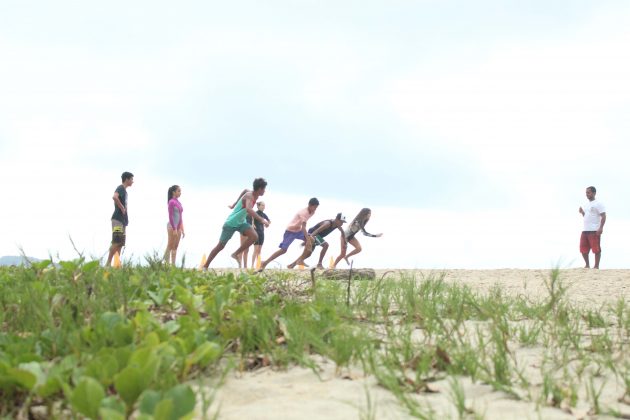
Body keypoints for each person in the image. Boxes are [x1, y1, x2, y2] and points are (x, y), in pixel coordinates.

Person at [203, 178, 269, 269]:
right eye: (264, 189)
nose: (265, 191)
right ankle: (205, 266)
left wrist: (235, 203)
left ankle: (236, 254)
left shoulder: (251, 193)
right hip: (231, 223)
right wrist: (262, 220)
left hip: (241, 222)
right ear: (259, 189)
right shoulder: (250, 196)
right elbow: (249, 209)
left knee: (254, 236)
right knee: (220, 246)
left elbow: (245, 190)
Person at [258, 198, 319, 271]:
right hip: (290, 231)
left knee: (312, 239)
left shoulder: (312, 212)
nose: (315, 209)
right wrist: (307, 240)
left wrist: (308, 240)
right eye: (314, 207)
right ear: (309, 205)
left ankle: (298, 261)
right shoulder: (303, 213)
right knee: (283, 250)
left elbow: (303, 227)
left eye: (316, 207)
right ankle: (265, 262)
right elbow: (304, 227)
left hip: (298, 230)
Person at [106, 171, 134, 267]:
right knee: (116, 241)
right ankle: (108, 264)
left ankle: (117, 265)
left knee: (120, 243)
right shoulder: (121, 188)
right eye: (131, 179)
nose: (132, 182)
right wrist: (122, 207)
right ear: (127, 179)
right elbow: (114, 197)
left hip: (123, 221)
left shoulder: (125, 191)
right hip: (117, 219)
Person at [579, 186, 606, 269]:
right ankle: (587, 265)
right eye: (586, 193)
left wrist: (601, 228)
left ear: (594, 193)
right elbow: (587, 216)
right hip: (585, 229)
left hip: (594, 230)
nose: (587, 194)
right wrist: (582, 212)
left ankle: (596, 266)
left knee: (596, 249)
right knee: (583, 248)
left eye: (588, 192)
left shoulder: (598, 203)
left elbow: (603, 216)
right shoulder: (586, 204)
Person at [163, 185, 185, 265]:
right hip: (172, 226)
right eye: (178, 191)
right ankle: (166, 263)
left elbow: (180, 216)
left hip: (178, 227)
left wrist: (182, 228)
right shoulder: (171, 202)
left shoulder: (179, 202)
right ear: (173, 192)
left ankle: (173, 265)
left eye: (180, 191)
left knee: (175, 246)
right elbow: (171, 216)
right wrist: (174, 228)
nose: (180, 193)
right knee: (170, 245)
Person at [250, 202, 271, 268]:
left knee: (259, 251)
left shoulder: (264, 214)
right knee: (255, 250)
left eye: (264, 205)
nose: (263, 206)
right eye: (262, 205)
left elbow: (269, 221)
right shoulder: (255, 213)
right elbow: (252, 220)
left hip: (262, 233)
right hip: (256, 233)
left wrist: (267, 224)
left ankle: (258, 265)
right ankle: (252, 265)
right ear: (258, 206)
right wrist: (253, 225)